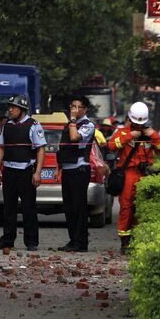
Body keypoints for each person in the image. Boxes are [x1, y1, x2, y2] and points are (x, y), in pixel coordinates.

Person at [108, 102, 160, 255]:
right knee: (126, 208)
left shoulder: (150, 133)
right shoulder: (123, 132)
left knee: (142, 209)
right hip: (128, 174)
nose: (138, 125)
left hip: (145, 174)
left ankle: (140, 240)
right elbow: (111, 146)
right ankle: (125, 243)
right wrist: (129, 136)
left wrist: (153, 135)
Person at [0, 95, 47, 252]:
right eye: (10, 107)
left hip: (25, 172)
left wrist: (38, 172)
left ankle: (31, 241)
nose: (10, 110)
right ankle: (7, 240)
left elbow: (41, 149)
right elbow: (1, 147)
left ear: (22, 109)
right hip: (9, 171)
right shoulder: (7, 125)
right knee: (8, 208)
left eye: (13, 107)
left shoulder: (33, 125)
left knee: (29, 208)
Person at [55, 97, 95, 252]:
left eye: (78, 107)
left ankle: (81, 242)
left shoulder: (88, 125)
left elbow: (74, 138)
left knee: (79, 208)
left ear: (85, 110)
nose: (74, 109)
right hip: (67, 170)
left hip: (79, 170)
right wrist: (58, 168)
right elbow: (63, 146)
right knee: (69, 208)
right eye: (72, 106)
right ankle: (73, 240)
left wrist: (72, 120)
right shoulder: (70, 124)